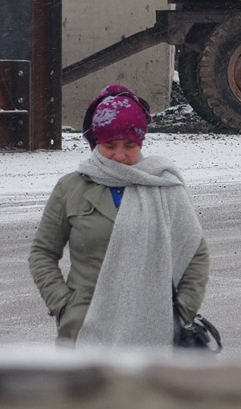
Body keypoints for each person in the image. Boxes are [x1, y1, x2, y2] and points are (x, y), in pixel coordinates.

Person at [28, 84, 210, 349]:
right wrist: (65, 306)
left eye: (130, 145)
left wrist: (181, 313)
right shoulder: (71, 188)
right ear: (95, 142)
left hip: (152, 327)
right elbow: (42, 253)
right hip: (85, 327)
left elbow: (195, 254)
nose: (120, 155)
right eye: (110, 145)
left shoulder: (163, 186)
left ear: (141, 142)